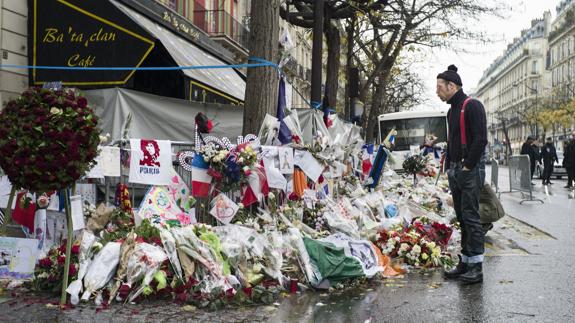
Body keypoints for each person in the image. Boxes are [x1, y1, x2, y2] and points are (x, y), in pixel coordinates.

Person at [437, 65, 487, 284]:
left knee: (471, 217)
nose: (437, 91)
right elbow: (453, 141)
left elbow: (480, 139)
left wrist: (467, 166)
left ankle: (476, 266)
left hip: (470, 169)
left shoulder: (472, 105)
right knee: (462, 216)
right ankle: (466, 262)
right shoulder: (451, 111)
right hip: (456, 169)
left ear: (452, 86)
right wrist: (449, 166)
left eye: (439, 87)